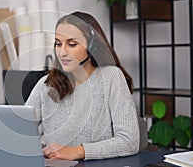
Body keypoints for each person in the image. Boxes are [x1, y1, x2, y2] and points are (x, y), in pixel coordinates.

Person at [25, 11, 139, 160]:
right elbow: (20, 130)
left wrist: (78, 151)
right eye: (58, 44)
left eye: (72, 44)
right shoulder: (45, 84)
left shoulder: (111, 77)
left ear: (93, 47)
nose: (62, 52)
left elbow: (130, 142)